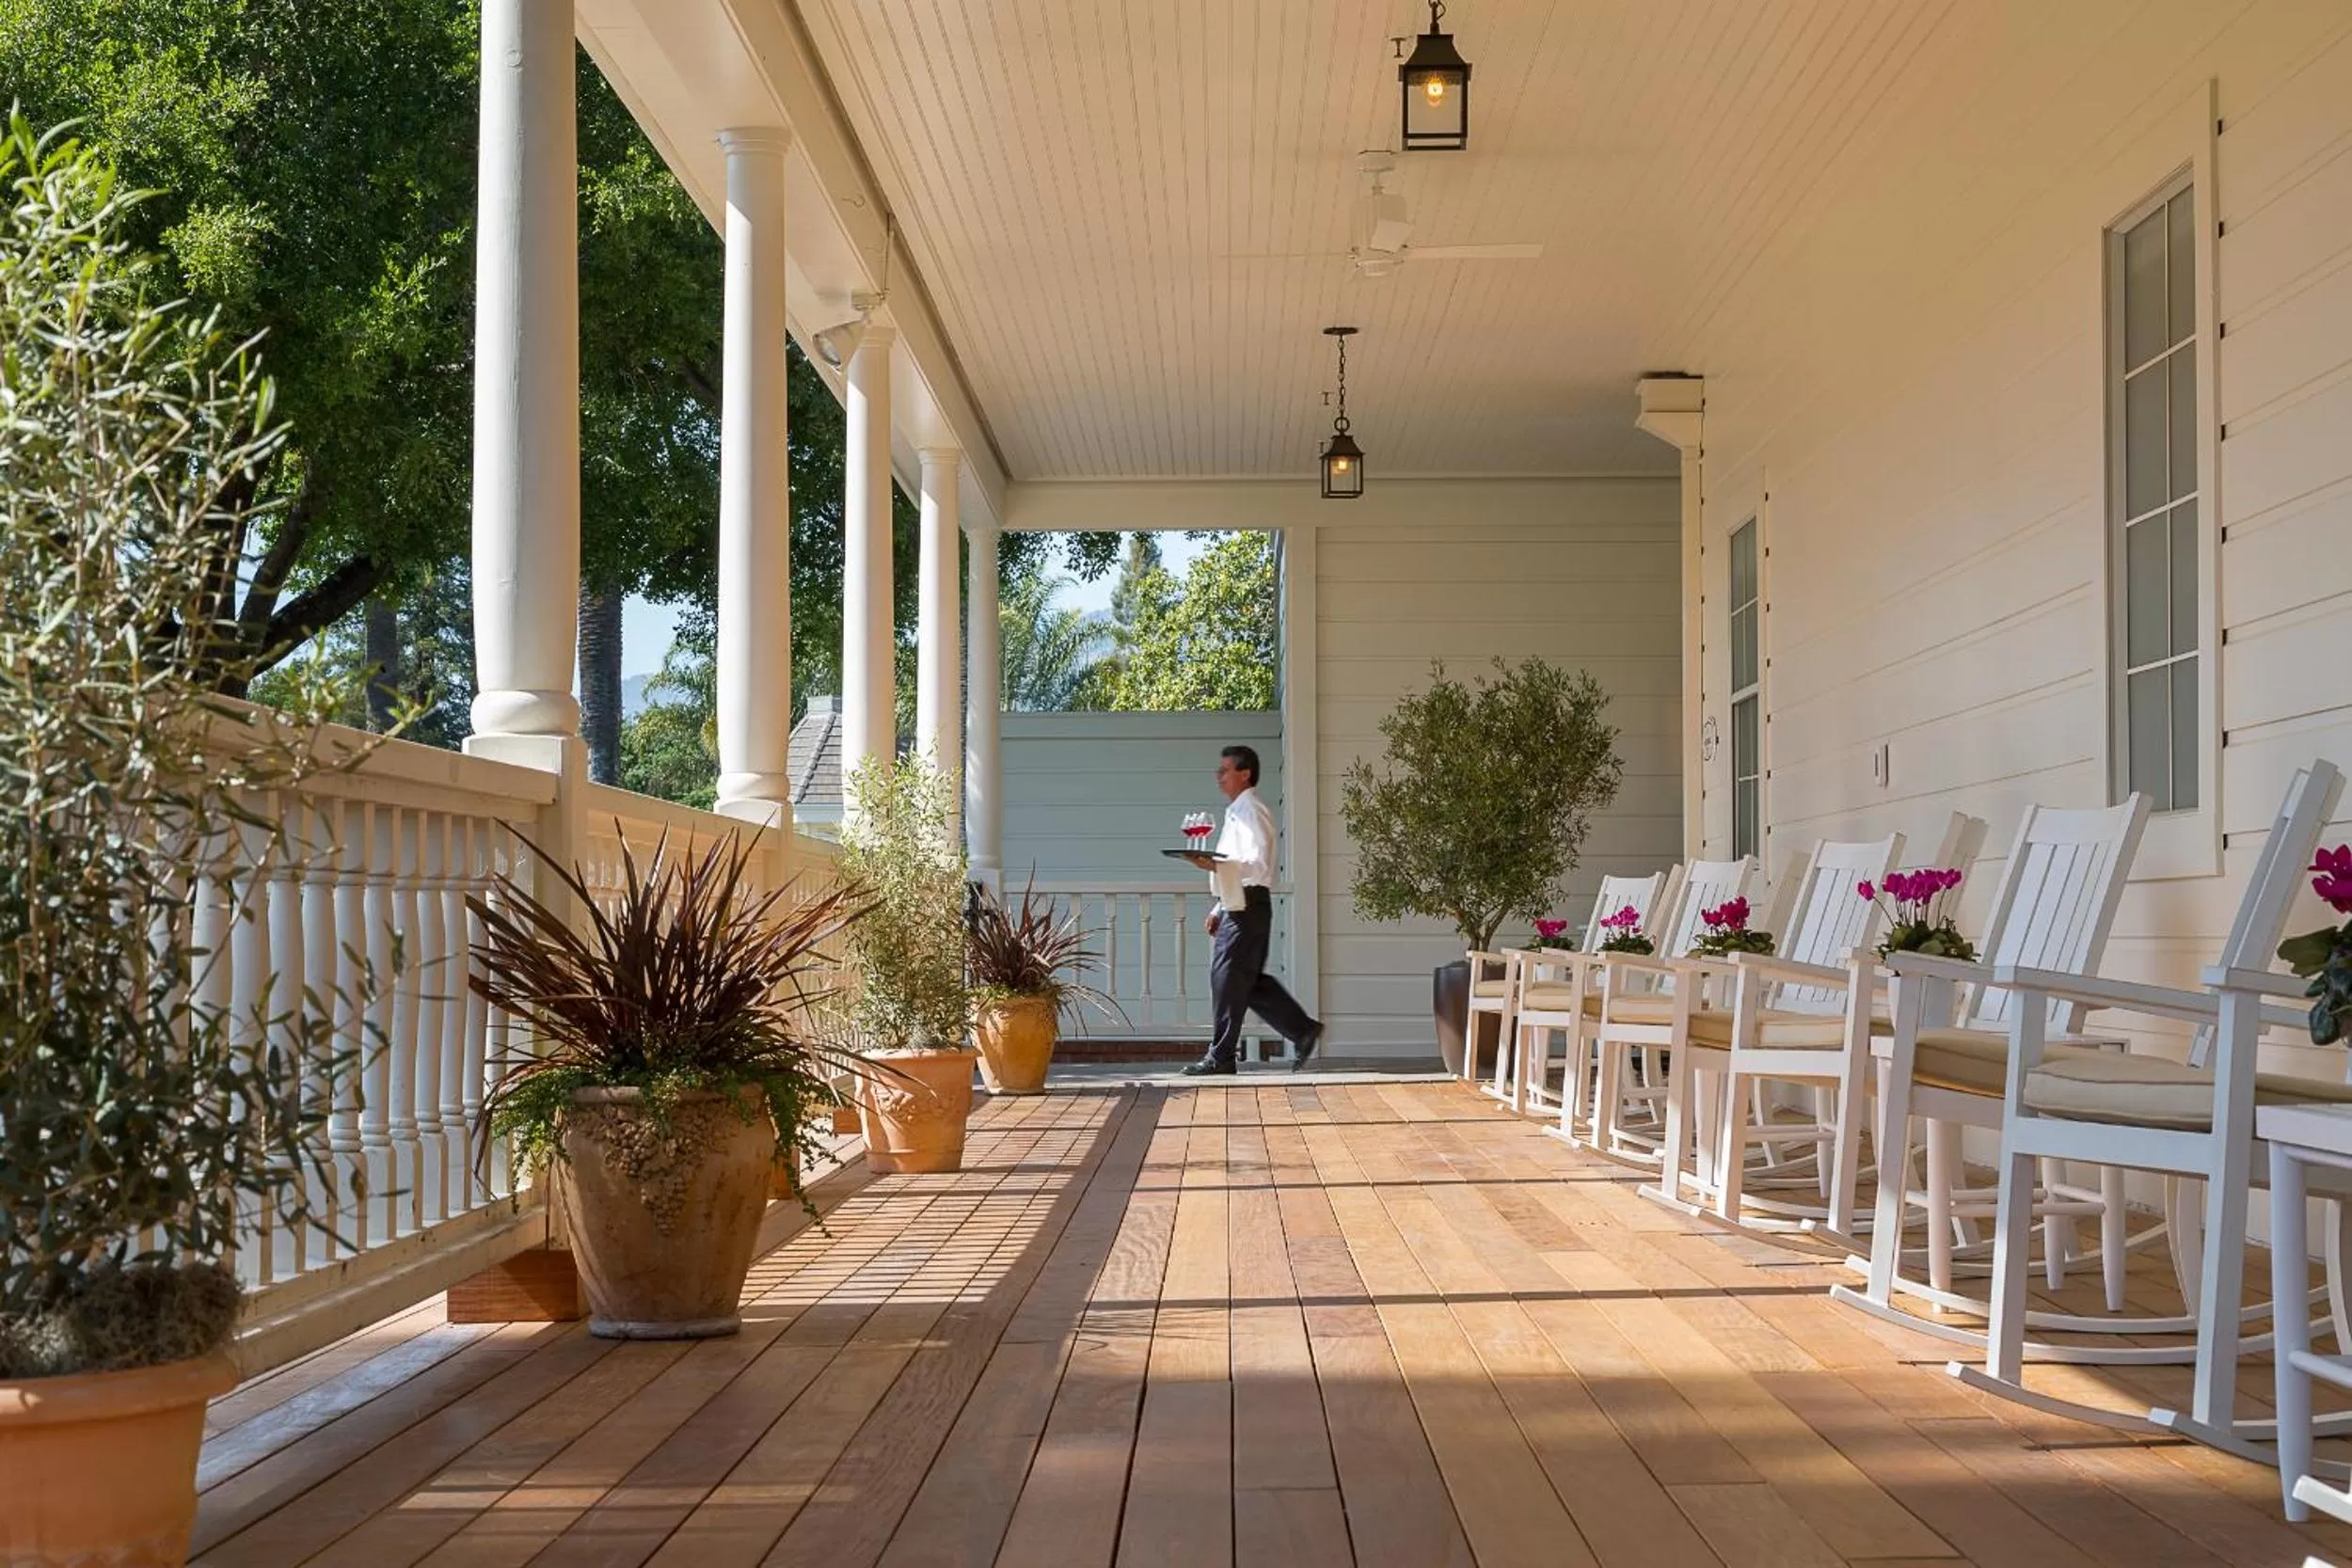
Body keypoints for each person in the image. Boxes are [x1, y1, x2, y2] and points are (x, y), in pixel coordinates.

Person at [1176, 744, 1322, 1075]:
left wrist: (1213, 865)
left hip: (1248, 905)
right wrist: (1218, 908)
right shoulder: (1237, 812)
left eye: (1225, 770)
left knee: (1227, 979)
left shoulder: (1251, 811)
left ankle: (1221, 1056)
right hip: (1238, 904)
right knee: (1246, 981)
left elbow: (1255, 864)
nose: (1219, 776)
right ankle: (1301, 1029)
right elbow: (1236, 867)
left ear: (1245, 774)